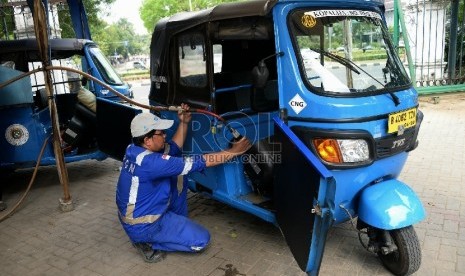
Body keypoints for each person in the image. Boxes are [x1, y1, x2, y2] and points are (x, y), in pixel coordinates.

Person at [116, 104, 251, 263]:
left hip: (136, 216)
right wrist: (235, 151)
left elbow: (173, 148)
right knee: (202, 240)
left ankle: (166, 225)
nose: (165, 135)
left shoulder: (133, 149)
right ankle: (146, 242)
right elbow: (200, 162)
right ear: (147, 140)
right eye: (161, 133)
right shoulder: (152, 163)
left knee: (178, 175)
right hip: (144, 225)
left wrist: (184, 122)